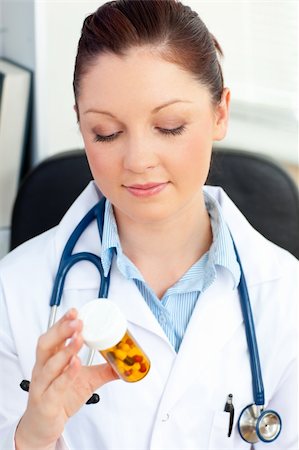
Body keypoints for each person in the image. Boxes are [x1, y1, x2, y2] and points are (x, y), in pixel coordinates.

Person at [0, 0, 297, 449]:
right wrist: (31, 438)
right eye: (106, 133)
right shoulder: (17, 291)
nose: (138, 160)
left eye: (170, 126)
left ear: (220, 113)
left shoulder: (284, 295)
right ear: (81, 126)